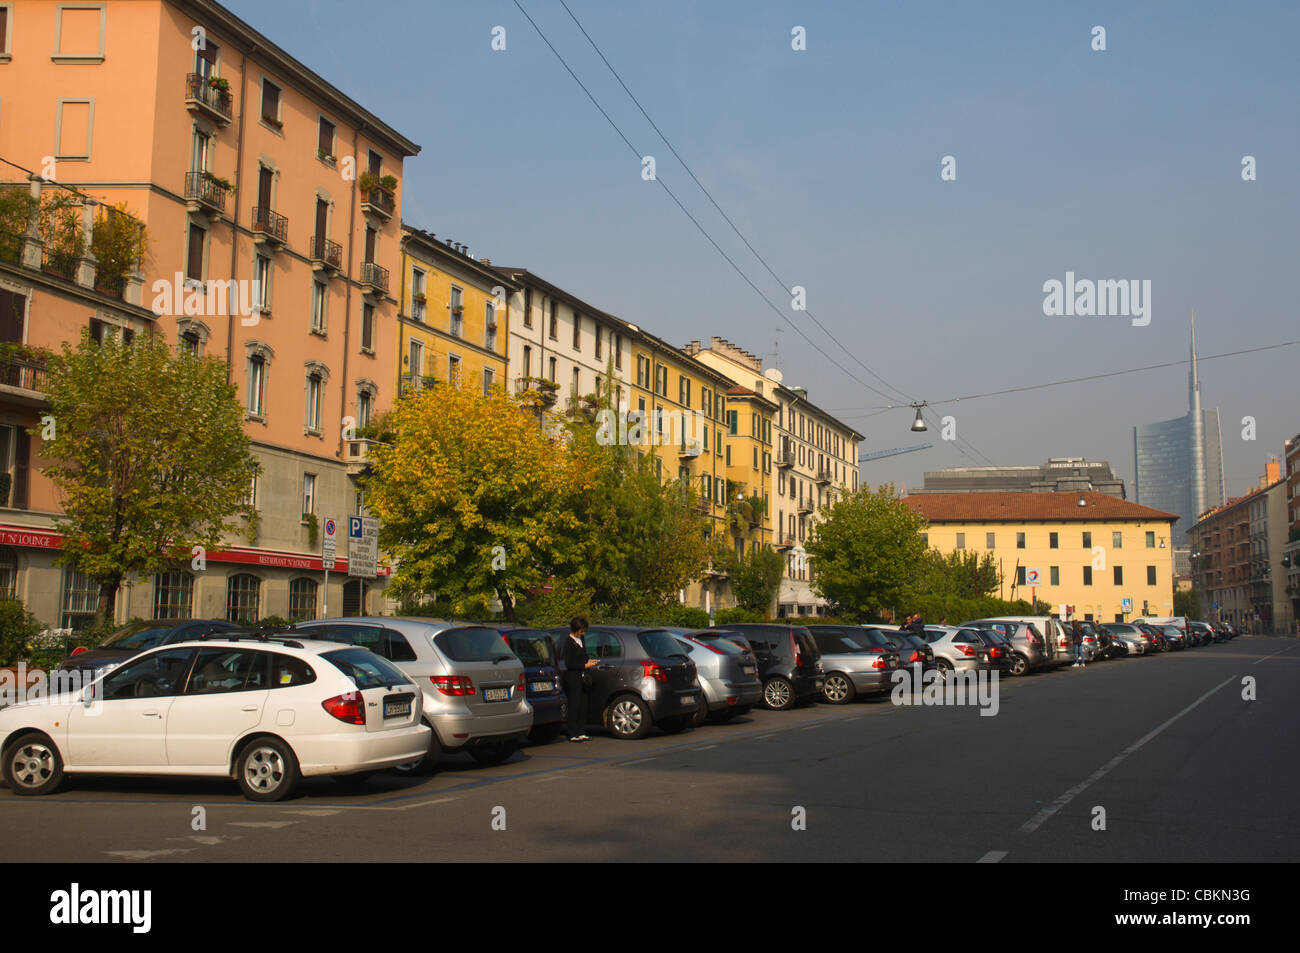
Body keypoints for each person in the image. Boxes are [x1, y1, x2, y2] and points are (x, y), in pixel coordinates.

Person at [559, 616, 598, 742]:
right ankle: (572, 732)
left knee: (583, 704)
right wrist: (584, 665)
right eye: (581, 630)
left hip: (583, 676)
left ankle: (581, 731)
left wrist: (589, 661)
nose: (583, 633)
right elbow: (569, 663)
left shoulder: (582, 640)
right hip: (573, 677)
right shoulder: (569, 642)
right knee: (574, 704)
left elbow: (583, 656)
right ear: (575, 629)